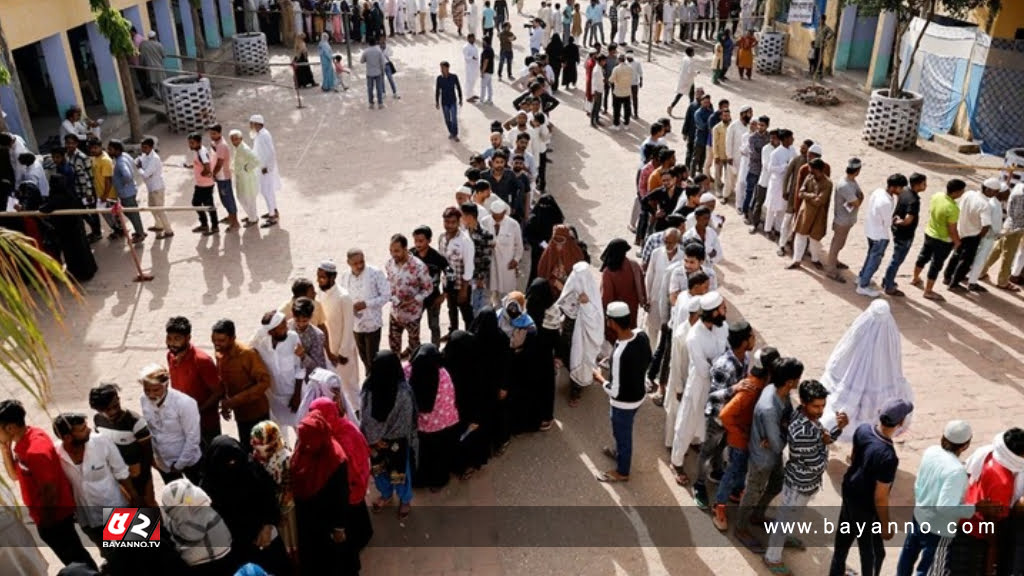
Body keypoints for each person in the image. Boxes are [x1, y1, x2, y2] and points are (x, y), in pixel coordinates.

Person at [0, 399, 97, 570]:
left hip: (55, 518)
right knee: (75, 556)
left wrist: (47, 523)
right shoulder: (23, 443)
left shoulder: (35, 450)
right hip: (49, 517)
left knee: (75, 559)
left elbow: (49, 489)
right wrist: (5, 449)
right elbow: (15, 475)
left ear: (9, 428)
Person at [763, 381, 848, 573]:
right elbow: (817, 463)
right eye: (816, 406)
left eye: (823, 405)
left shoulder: (806, 417)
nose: (820, 411)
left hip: (804, 482)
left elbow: (823, 440)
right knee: (784, 519)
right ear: (804, 402)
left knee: (791, 515)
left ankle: (783, 541)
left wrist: (836, 430)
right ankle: (772, 557)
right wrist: (825, 447)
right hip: (799, 483)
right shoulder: (802, 431)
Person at [828, 398, 914, 576]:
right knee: (873, 554)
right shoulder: (888, 456)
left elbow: (853, 458)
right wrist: (886, 525)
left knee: (842, 545)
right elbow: (880, 496)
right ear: (900, 423)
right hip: (866, 508)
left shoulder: (863, 430)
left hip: (850, 494)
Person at [819, 299, 914, 440]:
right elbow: (894, 357)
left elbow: (846, 347)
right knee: (870, 414)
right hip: (881, 377)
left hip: (854, 374)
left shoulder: (862, 326)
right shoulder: (890, 330)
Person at [729, 357, 802, 542]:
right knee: (753, 492)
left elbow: (788, 418)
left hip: (772, 455)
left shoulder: (778, 392)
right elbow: (777, 444)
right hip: (763, 459)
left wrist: (782, 428)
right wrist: (784, 430)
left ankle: (757, 515)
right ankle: (741, 528)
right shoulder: (770, 408)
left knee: (777, 483)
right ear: (790, 382)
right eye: (798, 378)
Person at [895, 420, 975, 576]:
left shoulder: (931, 451)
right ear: (965, 445)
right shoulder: (956, 471)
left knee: (907, 556)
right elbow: (945, 508)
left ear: (943, 438)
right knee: (931, 569)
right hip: (938, 528)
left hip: (919, 515)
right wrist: (975, 508)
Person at [201, 435, 290, 574]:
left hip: (264, 540)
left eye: (234, 461)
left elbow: (269, 496)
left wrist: (268, 525)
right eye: (227, 463)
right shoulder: (209, 489)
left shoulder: (251, 470)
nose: (232, 466)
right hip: (235, 547)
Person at [692, 321, 754, 511]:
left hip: (731, 417)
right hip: (718, 417)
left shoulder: (744, 357)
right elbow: (713, 395)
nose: (754, 339)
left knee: (721, 447)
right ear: (744, 342)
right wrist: (734, 388)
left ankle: (716, 472)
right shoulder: (724, 366)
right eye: (751, 336)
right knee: (707, 450)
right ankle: (699, 485)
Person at [53, 412, 138, 547]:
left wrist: (135, 498)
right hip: (87, 518)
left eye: (85, 426)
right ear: (68, 437)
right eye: (82, 429)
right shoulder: (56, 454)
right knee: (110, 555)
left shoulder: (101, 442)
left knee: (139, 549)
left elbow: (121, 472)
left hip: (115, 511)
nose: (89, 430)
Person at [947, 427, 1024, 576]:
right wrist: (991, 559)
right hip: (976, 533)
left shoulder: (987, 453)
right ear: (1015, 455)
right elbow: (993, 525)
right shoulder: (1003, 482)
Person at [308, 397, 374, 567]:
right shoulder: (347, 426)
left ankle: (359, 540)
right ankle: (365, 533)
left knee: (349, 519)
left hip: (349, 485)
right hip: (359, 480)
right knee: (359, 512)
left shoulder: (333, 439)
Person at [593, 301, 652, 483]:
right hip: (638, 395)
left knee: (622, 435)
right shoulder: (641, 335)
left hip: (623, 403)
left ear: (613, 323)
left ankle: (622, 471)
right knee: (623, 434)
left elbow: (615, 391)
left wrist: (600, 378)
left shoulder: (619, 354)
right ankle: (620, 454)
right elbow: (648, 359)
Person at [291, 410, 353, 573]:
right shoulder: (305, 444)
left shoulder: (335, 459)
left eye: (308, 442)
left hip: (326, 518)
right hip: (307, 515)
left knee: (331, 559)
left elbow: (341, 496)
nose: (304, 445)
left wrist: (339, 527)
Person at [361, 351, 417, 520]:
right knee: (379, 471)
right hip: (376, 441)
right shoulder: (369, 387)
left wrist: (380, 439)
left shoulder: (403, 392)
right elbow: (366, 415)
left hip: (396, 442)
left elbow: (406, 421)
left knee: (400, 471)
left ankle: (405, 499)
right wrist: (374, 440)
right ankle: (385, 494)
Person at [88, 383, 155, 507]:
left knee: (148, 503)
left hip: (139, 473)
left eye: (115, 406)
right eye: (107, 410)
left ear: (118, 399)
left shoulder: (135, 421)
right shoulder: (98, 420)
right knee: (129, 504)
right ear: (98, 409)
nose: (112, 412)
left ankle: (161, 526)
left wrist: (143, 478)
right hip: (118, 475)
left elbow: (148, 453)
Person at [212, 318, 272, 449]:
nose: (217, 344)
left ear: (233, 338)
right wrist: (225, 402)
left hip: (257, 413)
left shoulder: (247, 354)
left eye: (221, 340)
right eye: (214, 340)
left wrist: (235, 400)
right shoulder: (220, 353)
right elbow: (222, 380)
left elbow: (264, 381)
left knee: (263, 451)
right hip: (241, 415)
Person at [406, 344, 460, 489]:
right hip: (441, 424)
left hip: (419, 425)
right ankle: (438, 481)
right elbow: (449, 400)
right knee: (439, 454)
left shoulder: (409, 370)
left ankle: (420, 480)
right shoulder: (443, 375)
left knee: (423, 454)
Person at [138, 364, 202, 483]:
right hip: (164, 463)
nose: (151, 395)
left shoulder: (185, 403)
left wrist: (179, 465)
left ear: (166, 385)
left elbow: (192, 438)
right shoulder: (143, 400)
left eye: (156, 390)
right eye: (147, 390)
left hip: (188, 462)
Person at [166, 315, 223, 445]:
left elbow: (219, 392)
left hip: (206, 423)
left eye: (177, 339)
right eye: (169, 338)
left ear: (188, 338)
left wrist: (197, 410)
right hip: (183, 422)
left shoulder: (202, 361)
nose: (172, 343)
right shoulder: (170, 356)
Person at [159, 478, 234, 574]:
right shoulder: (200, 504)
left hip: (208, 561)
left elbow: (191, 533)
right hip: (222, 553)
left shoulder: (195, 514)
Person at [557, 261, 604, 407]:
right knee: (569, 359)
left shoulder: (592, 293)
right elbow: (562, 302)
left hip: (583, 336)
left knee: (580, 359)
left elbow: (595, 318)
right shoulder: (572, 283)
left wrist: (586, 305)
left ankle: (575, 392)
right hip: (568, 331)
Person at [248, 421, 298, 559]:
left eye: (259, 443)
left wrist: (278, 515)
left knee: (288, 542)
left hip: (285, 512)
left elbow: (287, 491)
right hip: (272, 510)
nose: (255, 447)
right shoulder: (263, 456)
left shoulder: (285, 459)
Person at [316, 260, 361, 411]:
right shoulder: (322, 294)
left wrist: (342, 353)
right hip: (329, 350)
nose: (319, 280)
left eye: (322, 277)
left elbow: (349, 327)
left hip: (343, 352)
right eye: (318, 277)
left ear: (332, 277)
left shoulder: (343, 297)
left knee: (351, 386)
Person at [911, 178, 965, 301]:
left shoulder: (937, 196)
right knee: (936, 265)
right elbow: (952, 230)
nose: (962, 193)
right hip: (943, 240)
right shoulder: (953, 208)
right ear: (956, 192)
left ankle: (915, 278)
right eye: (961, 191)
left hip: (929, 233)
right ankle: (928, 291)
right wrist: (957, 242)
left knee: (923, 257)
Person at [943, 177, 1001, 292]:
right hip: (972, 235)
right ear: (988, 190)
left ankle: (947, 277)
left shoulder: (969, 194)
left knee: (956, 255)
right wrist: (979, 237)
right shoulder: (985, 205)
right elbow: (986, 225)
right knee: (966, 260)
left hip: (961, 230)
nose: (996, 194)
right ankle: (954, 284)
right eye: (995, 192)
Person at [37, 176, 99, 281]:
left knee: (72, 253)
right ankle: (90, 270)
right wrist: (91, 222)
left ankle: (79, 275)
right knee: (83, 249)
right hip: (77, 227)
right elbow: (81, 208)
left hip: (66, 230)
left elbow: (44, 209)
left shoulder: (56, 198)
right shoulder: (70, 193)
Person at [343, 247, 392, 374]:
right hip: (356, 325)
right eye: (355, 263)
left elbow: (386, 295)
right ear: (348, 263)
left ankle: (374, 383)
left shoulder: (375, 273)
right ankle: (370, 378)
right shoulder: (345, 277)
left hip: (372, 323)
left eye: (362, 262)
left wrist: (367, 304)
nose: (359, 265)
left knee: (373, 359)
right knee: (363, 357)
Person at [386, 233, 434, 357]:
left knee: (414, 348)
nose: (393, 254)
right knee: (393, 348)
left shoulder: (419, 267)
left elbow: (428, 288)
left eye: (397, 251)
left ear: (405, 249)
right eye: (391, 251)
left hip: (412, 314)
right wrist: (395, 299)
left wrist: (414, 300)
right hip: (395, 314)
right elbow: (388, 286)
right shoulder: (390, 264)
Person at [856, 174, 903, 297]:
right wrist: (896, 220)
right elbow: (887, 223)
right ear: (894, 187)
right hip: (880, 235)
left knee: (870, 256)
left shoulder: (879, 192)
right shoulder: (886, 202)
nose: (901, 191)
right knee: (874, 261)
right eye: (900, 188)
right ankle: (863, 286)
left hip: (870, 229)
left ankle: (862, 277)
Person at [882, 172, 925, 296]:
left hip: (897, 232)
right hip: (905, 235)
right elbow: (908, 221)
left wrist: (895, 221)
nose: (925, 186)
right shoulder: (914, 200)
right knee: (897, 260)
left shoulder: (904, 190)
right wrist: (900, 222)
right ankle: (889, 285)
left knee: (895, 258)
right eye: (924, 183)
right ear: (917, 185)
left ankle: (887, 280)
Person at [787, 158, 832, 270]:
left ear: (820, 170)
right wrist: (812, 195)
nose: (811, 172)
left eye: (813, 170)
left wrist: (808, 196)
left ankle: (815, 259)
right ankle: (796, 260)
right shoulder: (809, 177)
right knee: (800, 236)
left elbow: (819, 201)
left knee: (815, 239)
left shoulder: (828, 184)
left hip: (818, 215)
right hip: (805, 212)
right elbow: (800, 193)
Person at [599, 238, 647, 340]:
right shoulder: (633, 264)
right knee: (630, 331)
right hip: (631, 308)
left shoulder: (608, 272)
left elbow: (606, 297)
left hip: (615, 311)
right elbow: (642, 285)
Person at [825, 158, 864, 283]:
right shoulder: (845, 185)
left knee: (840, 244)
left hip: (847, 220)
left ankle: (834, 261)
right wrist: (860, 198)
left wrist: (859, 198)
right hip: (842, 221)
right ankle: (831, 270)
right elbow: (857, 202)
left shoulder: (851, 181)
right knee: (836, 245)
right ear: (857, 171)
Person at [412, 226, 450, 346]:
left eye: (421, 241)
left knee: (434, 326)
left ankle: (435, 351)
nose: (418, 244)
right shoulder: (410, 255)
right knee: (413, 327)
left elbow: (450, 274)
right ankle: (414, 351)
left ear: (429, 240)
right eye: (416, 241)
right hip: (416, 299)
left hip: (433, 298)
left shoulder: (437, 258)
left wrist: (444, 294)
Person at [107, 139, 147, 242]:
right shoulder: (125, 155)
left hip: (126, 193)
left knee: (131, 213)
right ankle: (140, 231)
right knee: (133, 213)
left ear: (117, 150)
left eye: (110, 149)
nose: (108, 151)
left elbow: (127, 175)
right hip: (130, 190)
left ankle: (140, 234)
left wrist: (122, 184)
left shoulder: (120, 162)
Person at [132, 138, 172, 239]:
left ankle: (168, 230)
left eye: (145, 147)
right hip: (150, 188)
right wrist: (138, 164)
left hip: (157, 188)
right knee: (151, 207)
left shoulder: (154, 159)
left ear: (151, 147)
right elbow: (137, 161)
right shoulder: (145, 156)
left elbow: (146, 174)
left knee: (160, 210)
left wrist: (139, 168)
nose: (142, 149)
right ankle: (159, 225)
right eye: (142, 147)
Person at [249, 115, 282, 227]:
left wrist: (267, 167)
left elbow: (271, 152)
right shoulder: (259, 134)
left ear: (257, 123)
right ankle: (273, 210)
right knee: (268, 191)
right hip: (262, 168)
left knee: (266, 191)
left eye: (251, 123)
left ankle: (272, 216)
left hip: (266, 169)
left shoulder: (264, 135)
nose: (250, 126)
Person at [208, 124, 240, 231]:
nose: (212, 135)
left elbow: (220, 163)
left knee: (228, 199)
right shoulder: (215, 143)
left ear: (220, 133)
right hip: (220, 176)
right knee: (223, 199)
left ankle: (235, 222)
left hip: (223, 176)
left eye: (214, 133)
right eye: (211, 133)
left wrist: (213, 173)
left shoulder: (221, 145)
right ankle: (230, 217)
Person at [228, 129, 262, 227]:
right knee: (242, 198)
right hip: (241, 179)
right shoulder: (238, 148)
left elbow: (257, 160)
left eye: (236, 139)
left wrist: (246, 168)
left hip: (247, 179)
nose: (234, 141)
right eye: (232, 139)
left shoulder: (244, 149)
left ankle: (253, 219)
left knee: (248, 199)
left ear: (241, 139)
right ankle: (252, 216)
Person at [436, 61, 464, 141]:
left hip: (452, 101)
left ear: (447, 68)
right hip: (444, 102)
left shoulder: (454, 77)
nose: (441, 70)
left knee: (454, 118)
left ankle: (455, 134)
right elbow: (437, 90)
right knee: (447, 119)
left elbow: (458, 87)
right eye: (441, 68)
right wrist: (437, 102)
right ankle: (451, 132)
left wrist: (460, 98)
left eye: (443, 68)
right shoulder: (439, 78)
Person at [463, 34, 481, 102]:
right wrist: (472, 57)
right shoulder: (466, 47)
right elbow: (466, 57)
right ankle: (468, 97)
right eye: (472, 38)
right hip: (469, 67)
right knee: (469, 81)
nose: (474, 39)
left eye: (474, 38)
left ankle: (472, 94)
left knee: (474, 80)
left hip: (475, 66)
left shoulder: (474, 46)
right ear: (468, 39)